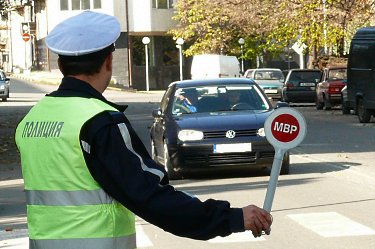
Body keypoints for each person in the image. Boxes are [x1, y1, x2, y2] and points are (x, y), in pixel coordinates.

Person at [15, 11, 272, 249]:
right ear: (108, 61)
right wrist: (233, 218)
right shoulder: (98, 120)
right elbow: (150, 196)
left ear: (60, 65)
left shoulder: (33, 119)